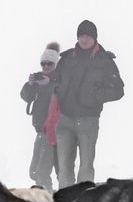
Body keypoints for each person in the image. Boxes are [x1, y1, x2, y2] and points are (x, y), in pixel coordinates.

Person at [50, 20, 124, 187]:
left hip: (88, 122)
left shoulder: (105, 61)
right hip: (65, 120)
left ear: (95, 38)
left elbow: (119, 90)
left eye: (88, 36)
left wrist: (97, 95)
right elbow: (56, 82)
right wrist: (58, 92)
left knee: (85, 167)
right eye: (81, 35)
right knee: (64, 167)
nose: (84, 39)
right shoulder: (67, 58)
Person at [21, 42, 61, 191]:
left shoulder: (61, 79)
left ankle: (48, 199)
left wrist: (48, 85)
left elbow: (63, 97)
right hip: (40, 130)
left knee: (43, 171)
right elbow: (25, 96)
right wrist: (31, 84)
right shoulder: (40, 79)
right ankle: (49, 196)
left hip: (54, 131)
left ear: (56, 64)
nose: (45, 67)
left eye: (49, 64)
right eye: (43, 64)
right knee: (35, 171)